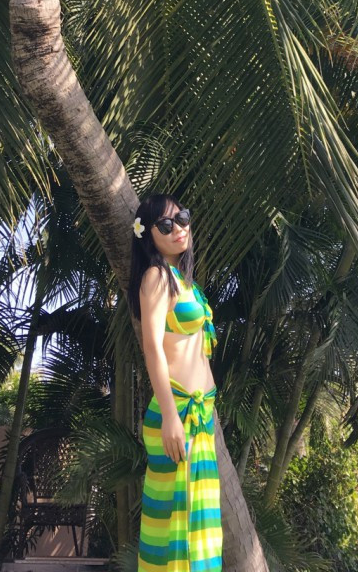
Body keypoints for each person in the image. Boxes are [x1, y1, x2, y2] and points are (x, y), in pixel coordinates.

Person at [127, 193, 223, 571]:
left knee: (196, 530)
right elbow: (152, 347)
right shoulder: (156, 277)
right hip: (177, 412)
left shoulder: (183, 280)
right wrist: (169, 415)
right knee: (174, 530)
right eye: (165, 225)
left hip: (198, 414)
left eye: (182, 218)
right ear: (148, 236)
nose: (178, 228)